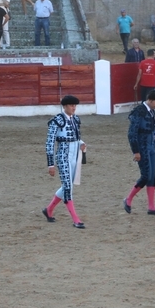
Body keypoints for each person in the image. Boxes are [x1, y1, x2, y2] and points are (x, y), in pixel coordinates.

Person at [43, 95, 87, 228]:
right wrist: (51, 164)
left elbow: (75, 137)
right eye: (71, 105)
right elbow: (50, 143)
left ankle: (48, 210)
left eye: (75, 105)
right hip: (63, 156)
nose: (74, 108)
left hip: (74, 156)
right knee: (67, 187)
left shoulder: (76, 119)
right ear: (65, 106)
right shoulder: (57, 121)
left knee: (68, 186)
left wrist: (81, 143)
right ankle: (75, 219)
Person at [124, 89, 155, 216]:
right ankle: (128, 199)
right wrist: (136, 151)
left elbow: (153, 131)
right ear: (150, 100)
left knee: (152, 176)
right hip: (142, 148)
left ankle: (151, 207)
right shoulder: (139, 111)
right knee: (146, 176)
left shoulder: (151, 112)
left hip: (151, 147)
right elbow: (132, 133)